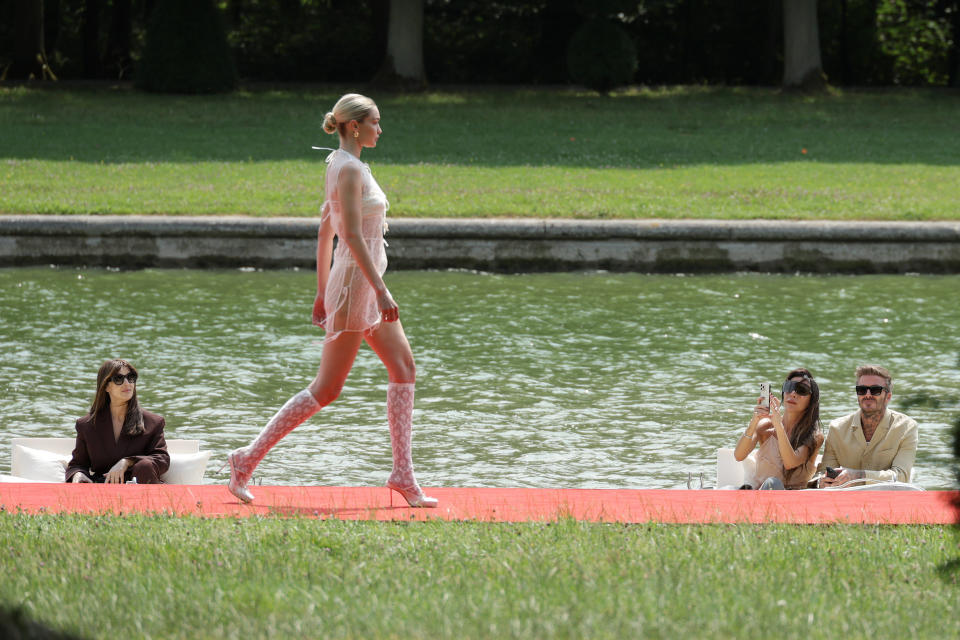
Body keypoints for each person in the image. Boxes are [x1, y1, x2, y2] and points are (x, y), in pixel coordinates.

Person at [225, 93, 437, 508]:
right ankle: (245, 460)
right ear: (354, 126)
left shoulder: (341, 165)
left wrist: (322, 291)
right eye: (376, 121)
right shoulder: (348, 169)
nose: (381, 128)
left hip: (355, 283)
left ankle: (402, 473)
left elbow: (326, 230)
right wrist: (377, 289)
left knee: (404, 367)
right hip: (358, 286)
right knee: (327, 389)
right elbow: (351, 236)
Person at [65, 359, 170, 484]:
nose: (127, 383)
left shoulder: (153, 422)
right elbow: (78, 464)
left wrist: (128, 461)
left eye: (131, 377)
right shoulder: (86, 425)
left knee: (145, 465)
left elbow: (162, 460)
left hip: (142, 489)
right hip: (102, 489)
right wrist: (78, 475)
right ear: (106, 386)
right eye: (119, 379)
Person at [818, 364, 918, 488]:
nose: (868, 395)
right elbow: (823, 474)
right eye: (862, 390)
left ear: (888, 396)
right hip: (846, 500)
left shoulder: (907, 428)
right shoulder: (836, 428)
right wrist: (822, 482)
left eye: (875, 390)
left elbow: (901, 477)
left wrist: (859, 476)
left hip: (887, 500)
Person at [733, 368, 824, 490]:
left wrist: (778, 426)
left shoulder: (814, 436)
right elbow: (738, 455)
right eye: (789, 387)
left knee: (773, 483)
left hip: (793, 501)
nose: (793, 393)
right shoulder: (765, 427)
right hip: (761, 496)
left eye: (801, 390)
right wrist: (754, 421)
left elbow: (790, 463)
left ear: (811, 400)